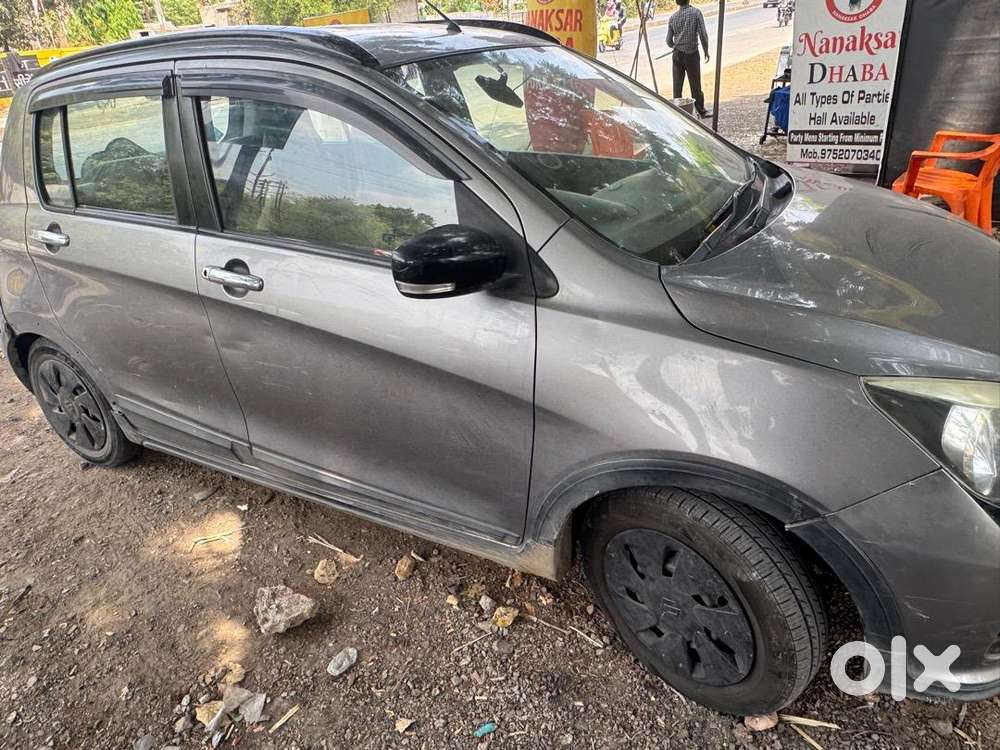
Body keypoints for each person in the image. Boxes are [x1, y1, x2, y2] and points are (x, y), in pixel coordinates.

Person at [666, 0, 712, 118]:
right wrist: (706, 50)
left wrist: (676, 46)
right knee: (695, 84)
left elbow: (668, 41)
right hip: (691, 54)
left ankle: (677, 112)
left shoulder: (673, 18)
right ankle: (701, 111)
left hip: (677, 55)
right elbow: (703, 35)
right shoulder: (696, 13)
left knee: (677, 85)